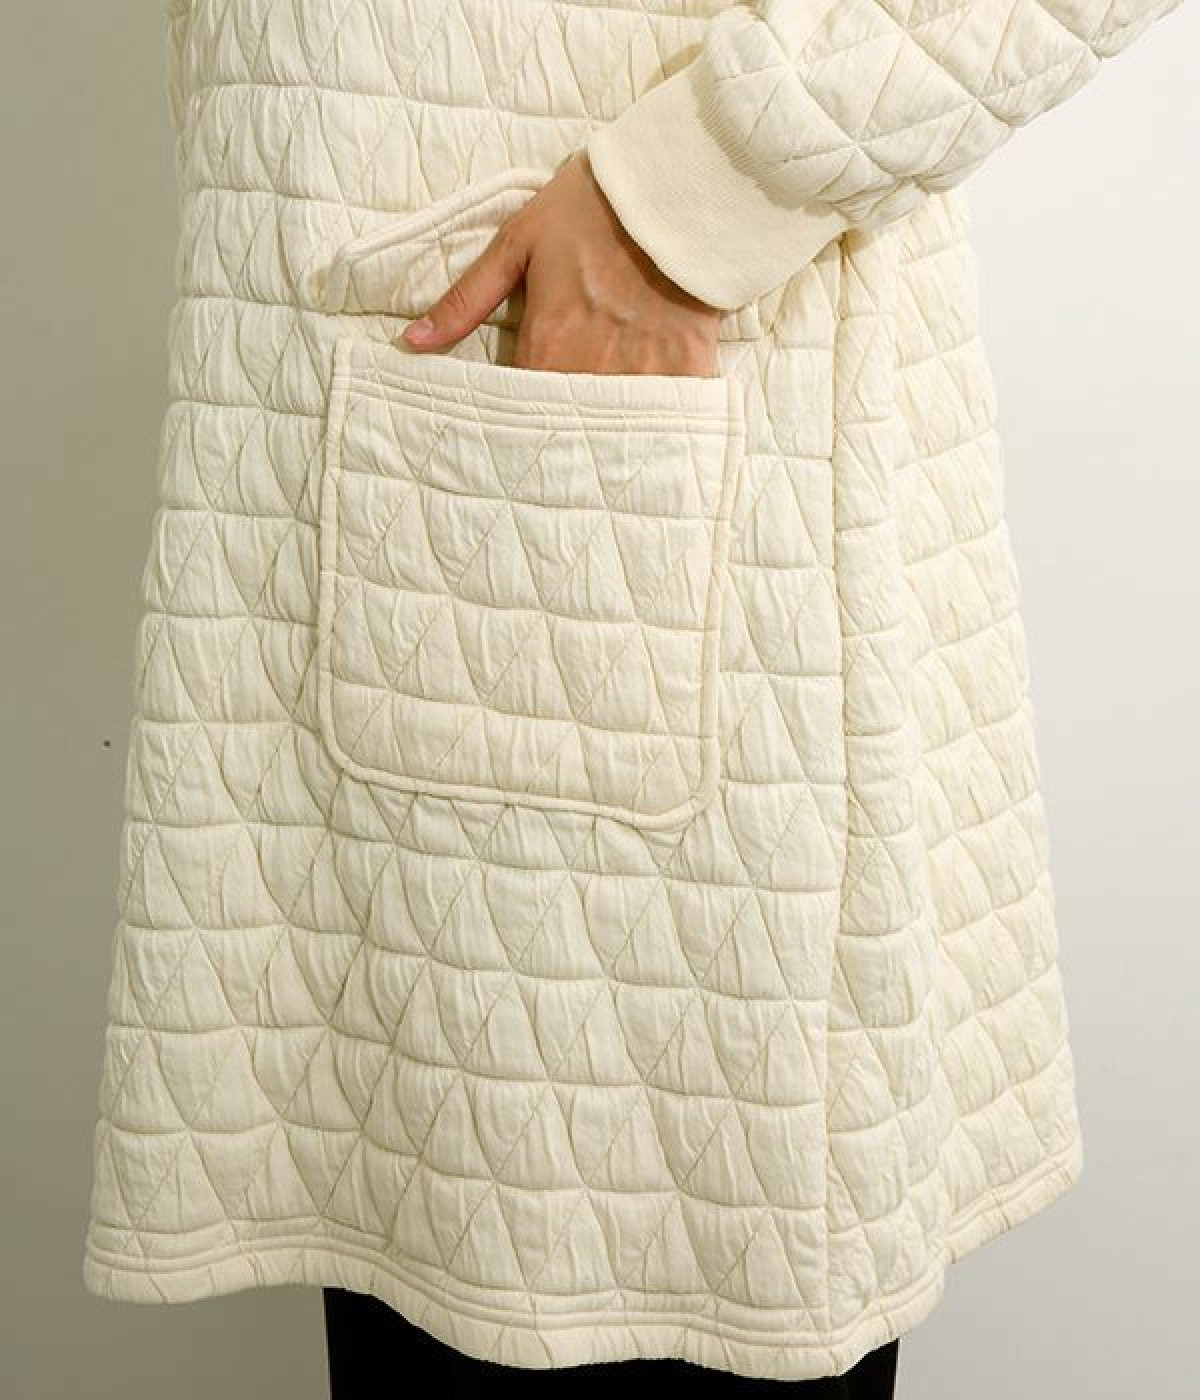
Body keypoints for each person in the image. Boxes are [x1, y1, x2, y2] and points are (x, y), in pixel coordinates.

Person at [82, 0, 1185, 1391]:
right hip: (381, 378)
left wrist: (685, 197)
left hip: (628, 371)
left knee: (645, 1262)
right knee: (429, 1235)